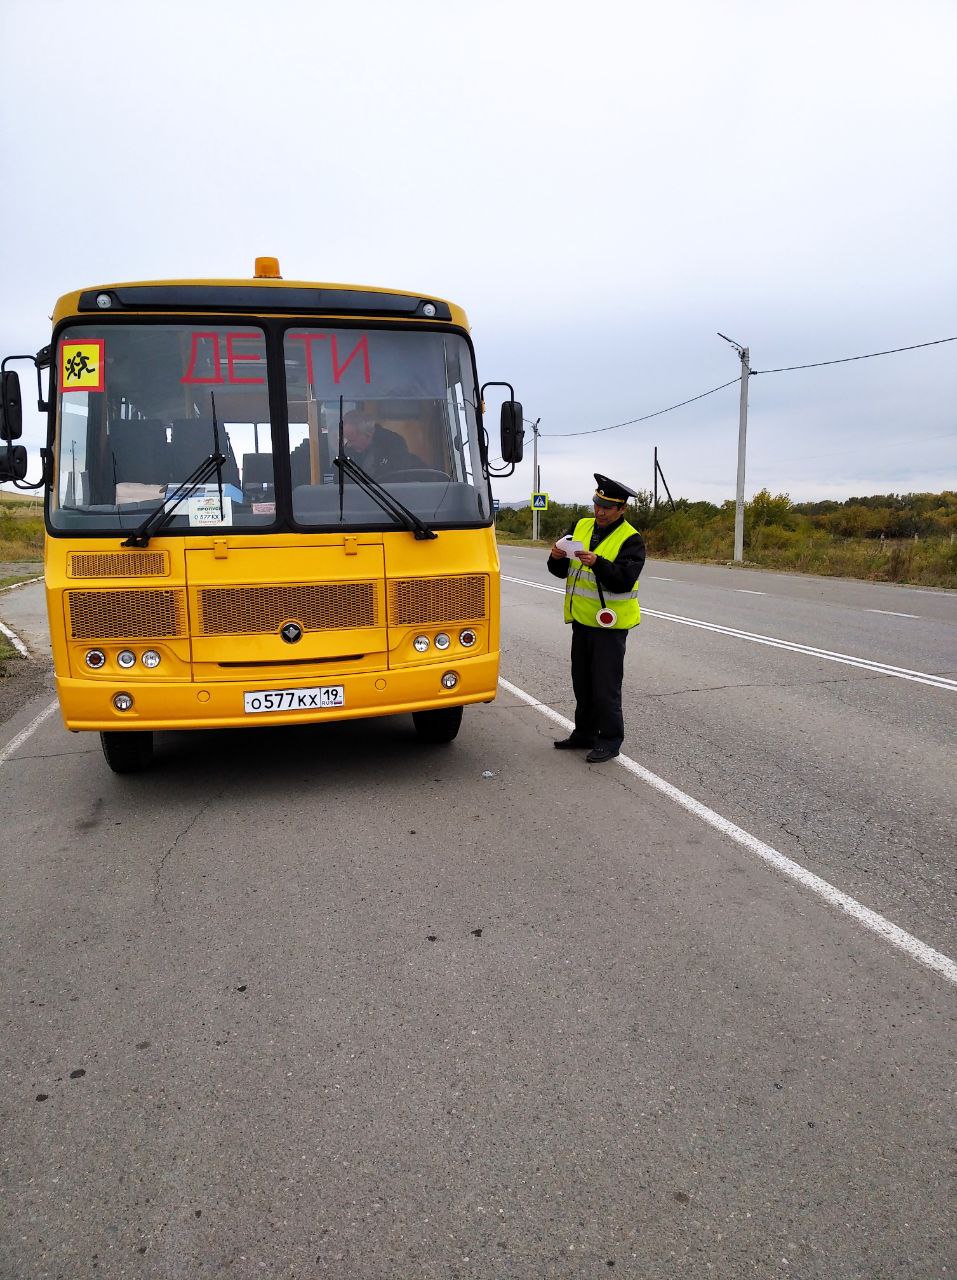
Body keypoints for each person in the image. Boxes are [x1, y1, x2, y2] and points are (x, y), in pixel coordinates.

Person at [546, 473, 646, 763]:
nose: (600, 511)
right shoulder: (580, 525)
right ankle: (584, 734)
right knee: (583, 682)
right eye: (597, 504)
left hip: (610, 625)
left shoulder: (631, 539)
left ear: (622, 509)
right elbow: (561, 571)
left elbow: (624, 580)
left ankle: (610, 739)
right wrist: (556, 557)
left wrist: (598, 563)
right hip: (581, 621)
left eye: (607, 507)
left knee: (606, 686)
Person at [340, 409, 426, 480]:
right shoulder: (348, 450)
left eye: (352, 440)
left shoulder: (394, 446)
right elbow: (338, 478)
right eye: (347, 440)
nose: (348, 445)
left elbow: (399, 479)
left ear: (367, 435)